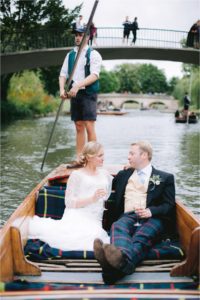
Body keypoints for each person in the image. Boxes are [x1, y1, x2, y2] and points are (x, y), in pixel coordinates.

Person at [94, 141, 176, 284]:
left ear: (144, 155)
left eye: (132, 153)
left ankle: (110, 270)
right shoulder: (124, 175)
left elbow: (169, 205)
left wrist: (151, 211)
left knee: (141, 236)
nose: (128, 157)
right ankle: (119, 264)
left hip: (153, 218)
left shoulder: (165, 178)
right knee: (117, 226)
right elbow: (101, 180)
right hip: (127, 215)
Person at [28, 141, 113, 251]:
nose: (103, 158)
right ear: (89, 157)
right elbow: (69, 203)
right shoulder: (77, 175)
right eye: (100, 155)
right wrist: (92, 198)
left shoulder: (105, 174)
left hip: (95, 218)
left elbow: (105, 196)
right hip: (77, 214)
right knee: (85, 238)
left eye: (103, 155)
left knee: (95, 235)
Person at [59, 27, 102, 167]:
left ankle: (92, 159)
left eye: (80, 35)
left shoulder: (94, 54)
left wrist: (77, 85)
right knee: (78, 126)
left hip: (88, 92)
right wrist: (61, 89)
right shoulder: (70, 55)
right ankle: (79, 159)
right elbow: (63, 74)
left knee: (89, 125)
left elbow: (95, 75)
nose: (77, 38)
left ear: (88, 37)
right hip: (74, 92)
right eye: (76, 35)